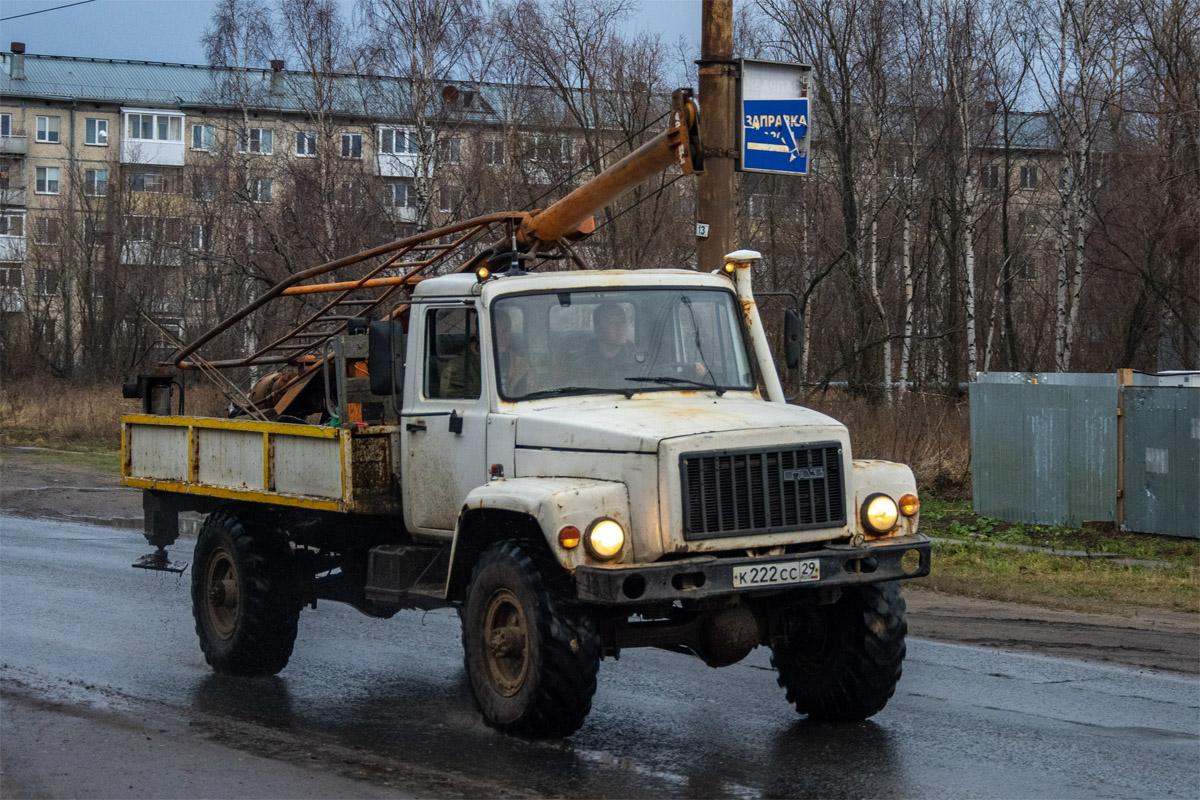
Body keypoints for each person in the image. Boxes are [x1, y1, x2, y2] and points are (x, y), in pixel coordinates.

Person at [583, 302, 638, 380]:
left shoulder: (638, 359)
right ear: (597, 328)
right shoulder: (580, 361)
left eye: (623, 321)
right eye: (613, 322)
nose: (620, 327)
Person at [494, 308, 531, 396]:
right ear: (478, 333)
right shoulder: (462, 365)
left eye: (506, 331)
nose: (502, 336)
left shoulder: (521, 365)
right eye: (495, 331)